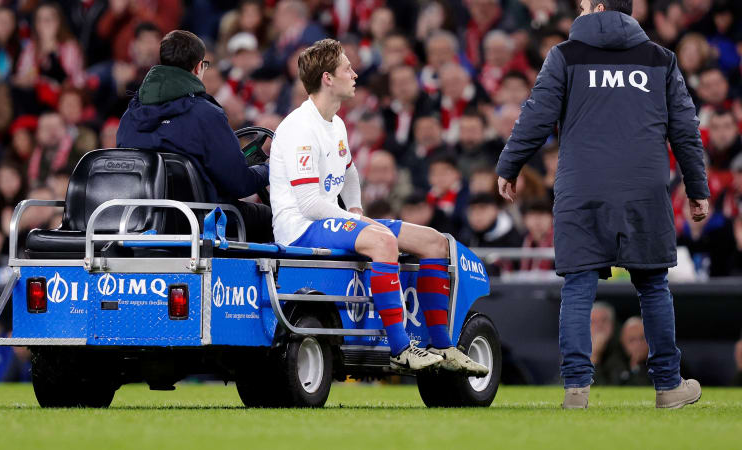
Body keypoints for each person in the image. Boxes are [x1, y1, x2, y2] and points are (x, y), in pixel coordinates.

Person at [495, 0, 709, 409]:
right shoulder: (659, 58)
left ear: (595, 7)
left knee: (577, 288)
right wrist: (696, 187)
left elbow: (537, 116)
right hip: (644, 189)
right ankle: (668, 387)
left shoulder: (565, 55)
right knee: (653, 287)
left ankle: (576, 389)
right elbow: (685, 128)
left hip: (582, 190)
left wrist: (510, 165)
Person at [269, 39, 487, 375]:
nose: (355, 74)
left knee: (434, 242)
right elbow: (310, 204)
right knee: (382, 239)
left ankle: (443, 347)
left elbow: (351, 172)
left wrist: (355, 210)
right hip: (300, 228)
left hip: (328, 221)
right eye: (347, 68)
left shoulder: (336, 123)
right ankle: (400, 349)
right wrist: (361, 222)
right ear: (328, 78)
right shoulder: (300, 128)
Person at [116, 30, 272, 243]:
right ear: (199, 67)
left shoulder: (130, 115)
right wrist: (269, 169)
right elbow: (239, 184)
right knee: (268, 217)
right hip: (200, 223)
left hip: (140, 223)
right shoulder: (207, 115)